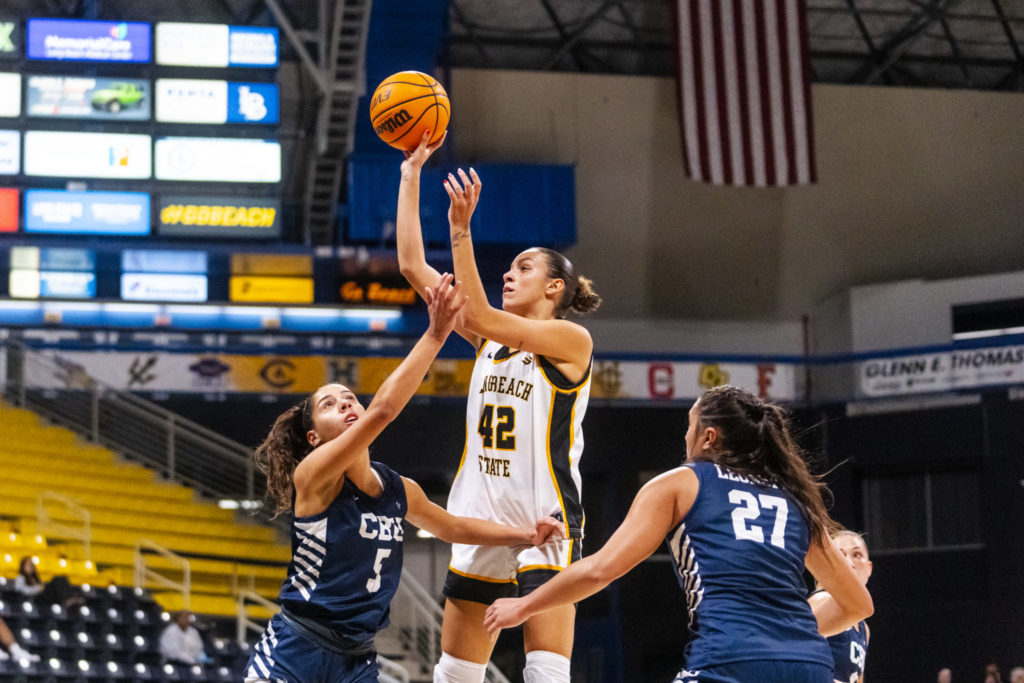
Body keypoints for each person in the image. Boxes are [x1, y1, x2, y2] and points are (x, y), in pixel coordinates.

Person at [243, 273, 565, 683]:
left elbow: (451, 526)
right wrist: (434, 336)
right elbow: (382, 411)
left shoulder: (397, 488)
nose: (345, 404)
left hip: (356, 658)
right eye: (329, 404)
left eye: (349, 398)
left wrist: (523, 535)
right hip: (298, 645)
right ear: (314, 436)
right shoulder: (315, 476)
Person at [484, 385, 874, 683]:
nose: (685, 437)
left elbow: (601, 570)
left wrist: (524, 606)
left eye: (690, 426)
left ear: (709, 437)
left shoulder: (681, 483)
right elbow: (858, 606)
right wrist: (782, 634)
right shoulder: (795, 499)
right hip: (809, 666)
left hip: (729, 661)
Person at [398, 133, 602, 683]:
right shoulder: (491, 344)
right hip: (480, 519)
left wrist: (462, 230)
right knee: (455, 675)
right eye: (508, 267)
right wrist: (410, 176)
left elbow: (484, 315)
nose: (509, 273)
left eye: (523, 267)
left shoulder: (569, 341)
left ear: (555, 287)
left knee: (544, 674)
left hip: (547, 514)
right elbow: (413, 263)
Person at [809, 530, 872, 683]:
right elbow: (792, 658)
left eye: (857, 555)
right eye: (840, 556)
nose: (849, 563)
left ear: (869, 568)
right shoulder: (821, 600)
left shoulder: (864, 628)